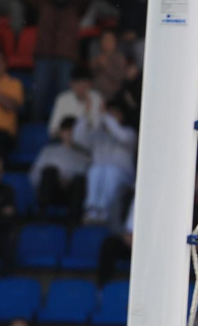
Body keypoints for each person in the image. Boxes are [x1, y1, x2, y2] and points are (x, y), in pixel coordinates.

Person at [74, 95, 138, 227]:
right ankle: (92, 209)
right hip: (101, 176)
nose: (111, 118)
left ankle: (104, 210)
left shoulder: (129, 133)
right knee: (95, 170)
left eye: (115, 114)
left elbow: (121, 136)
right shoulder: (98, 134)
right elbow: (78, 137)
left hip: (123, 177)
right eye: (110, 114)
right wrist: (86, 114)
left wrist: (105, 117)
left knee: (110, 171)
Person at [30, 117, 89, 223]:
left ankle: (73, 220)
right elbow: (34, 174)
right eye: (67, 130)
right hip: (51, 190)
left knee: (80, 180)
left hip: (72, 193)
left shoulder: (84, 155)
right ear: (61, 132)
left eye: (73, 131)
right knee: (49, 171)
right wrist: (57, 178)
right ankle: (41, 213)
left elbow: (85, 175)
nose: (70, 134)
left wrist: (68, 180)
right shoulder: (48, 150)